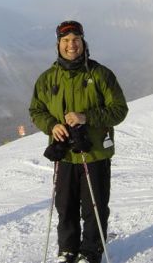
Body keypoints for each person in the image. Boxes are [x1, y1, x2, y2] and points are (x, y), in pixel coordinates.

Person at [29, 20, 128, 263]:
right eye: (66, 41)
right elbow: (36, 110)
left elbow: (119, 110)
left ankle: (91, 252)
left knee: (94, 208)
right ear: (58, 45)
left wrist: (87, 117)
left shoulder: (101, 74)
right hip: (64, 154)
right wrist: (53, 126)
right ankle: (67, 250)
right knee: (65, 206)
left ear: (83, 42)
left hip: (94, 153)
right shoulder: (47, 79)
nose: (71, 45)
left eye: (76, 40)